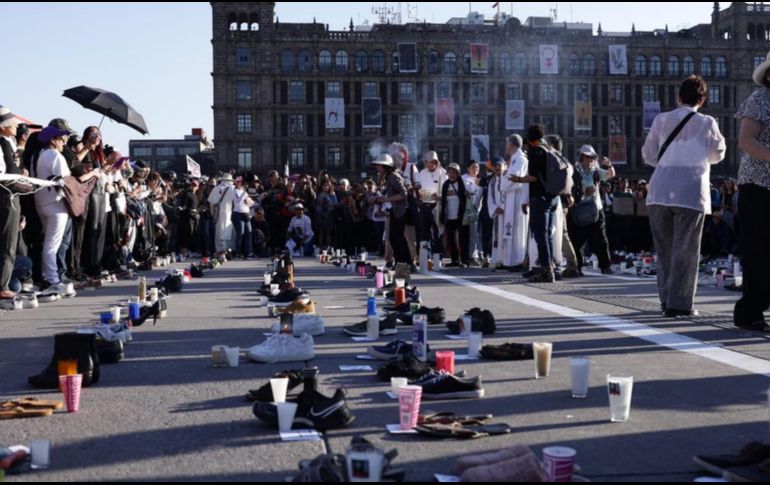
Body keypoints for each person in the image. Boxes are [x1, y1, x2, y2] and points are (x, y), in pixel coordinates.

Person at [642, 75, 725, 318]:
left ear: (679, 97)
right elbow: (718, 154)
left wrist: (668, 163)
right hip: (691, 192)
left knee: (665, 250)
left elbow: (648, 154)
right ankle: (680, 304)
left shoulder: (661, 120)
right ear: (703, 99)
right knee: (686, 250)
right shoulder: (707, 122)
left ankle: (666, 300)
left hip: (659, 191)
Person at [733, 51, 770, 330]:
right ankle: (751, 311)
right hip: (758, 185)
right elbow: (746, 141)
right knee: (757, 249)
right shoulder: (759, 99)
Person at [519, 124, 559, 283]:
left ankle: (546, 271)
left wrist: (518, 179)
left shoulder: (536, 152)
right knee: (547, 234)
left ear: (529, 138)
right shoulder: (549, 149)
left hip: (539, 198)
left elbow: (533, 177)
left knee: (540, 235)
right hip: (552, 197)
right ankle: (550, 266)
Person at [569, 145, 615, 276]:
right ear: (582, 158)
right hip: (580, 209)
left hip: (596, 209)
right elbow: (570, 189)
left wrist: (609, 165)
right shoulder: (575, 171)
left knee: (602, 239)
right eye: (587, 157)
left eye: (592, 157)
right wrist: (584, 192)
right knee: (577, 241)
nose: (589, 160)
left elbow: (610, 175)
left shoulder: (596, 171)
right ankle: (577, 267)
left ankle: (605, 266)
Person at [0, 106, 23, 307]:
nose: (15, 125)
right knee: (7, 243)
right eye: (11, 122)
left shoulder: (10, 143)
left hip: (12, 196)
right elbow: (5, 177)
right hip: (6, 197)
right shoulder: (2, 144)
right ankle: (2, 287)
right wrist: (26, 186)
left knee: (11, 244)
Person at [373, 154, 411, 267]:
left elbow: (404, 194)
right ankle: (402, 262)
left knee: (397, 238)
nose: (377, 168)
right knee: (394, 238)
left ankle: (404, 262)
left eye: (379, 166)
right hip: (393, 211)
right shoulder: (388, 177)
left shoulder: (394, 176)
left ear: (385, 166)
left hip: (399, 211)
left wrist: (387, 199)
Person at [500, 134, 529, 270]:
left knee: (518, 229)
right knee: (510, 229)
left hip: (517, 197)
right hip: (511, 197)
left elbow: (515, 177)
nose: (505, 146)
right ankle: (510, 261)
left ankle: (519, 260)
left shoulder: (521, 159)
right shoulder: (514, 159)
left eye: (506, 144)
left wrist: (504, 183)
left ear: (512, 144)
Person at [415, 151, 446, 255]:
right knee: (424, 230)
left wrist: (439, 196)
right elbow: (418, 188)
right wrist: (418, 193)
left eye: (433, 162)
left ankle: (437, 254)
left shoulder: (442, 173)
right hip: (424, 205)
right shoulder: (422, 173)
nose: (431, 164)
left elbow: (445, 191)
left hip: (436, 205)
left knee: (437, 230)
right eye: (428, 162)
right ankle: (425, 254)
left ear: (436, 162)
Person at [440, 163, 468, 267]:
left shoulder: (463, 183)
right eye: (450, 172)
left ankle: (465, 260)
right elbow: (443, 200)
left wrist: (468, 194)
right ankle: (455, 260)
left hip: (461, 214)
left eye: (454, 172)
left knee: (463, 238)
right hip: (450, 215)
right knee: (451, 238)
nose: (452, 174)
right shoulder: (445, 184)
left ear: (458, 173)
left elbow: (471, 193)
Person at [486, 157, 507, 269]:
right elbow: (490, 198)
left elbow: (510, 195)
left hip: (507, 213)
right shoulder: (492, 181)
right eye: (496, 166)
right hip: (497, 213)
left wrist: (503, 206)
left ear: (504, 166)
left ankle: (506, 260)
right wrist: (495, 208)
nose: (498, 168)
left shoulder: (508, 179)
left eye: (500, 165)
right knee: (497, 236)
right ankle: (497, 260)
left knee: (506, 236)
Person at [462, 161, 483, 266]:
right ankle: (472, 256)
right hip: (468, 211)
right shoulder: (464, 178)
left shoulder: (480, 179)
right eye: (473, 167)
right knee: (472, 234)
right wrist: (476, 184)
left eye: (477, 167)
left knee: (479, 234)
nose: (475, 169)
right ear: (468, 168)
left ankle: (481, 254)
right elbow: (468, 192)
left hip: (480, 210)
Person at [207, 173, 234, 253]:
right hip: (228, 212)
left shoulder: (216, 188)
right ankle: (227, 249)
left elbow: (211, 203)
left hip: (218, 212)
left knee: (218, 230)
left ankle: (219, 249)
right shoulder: (232, 189)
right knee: (227, 230)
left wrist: (213, 213)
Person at [231, 176, 254, 258]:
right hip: (238, 214)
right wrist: (244, 194)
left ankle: (249, 252)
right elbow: (237, 200)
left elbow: (250, 203)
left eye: (241, 182)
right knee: (240, 233)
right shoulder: (234, 191)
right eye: (238, 182)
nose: (240, 183)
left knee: (249, 233)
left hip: (246, 213)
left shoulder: (244, 191)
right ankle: (238, 252)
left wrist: (249, 201)